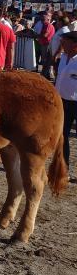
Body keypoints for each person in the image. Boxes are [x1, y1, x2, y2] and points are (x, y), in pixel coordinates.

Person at [55, 31, 77, 179]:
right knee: (62, 136)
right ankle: (64, 169)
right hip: (62, 102)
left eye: (65, 41)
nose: (62, 43)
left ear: (75, 45)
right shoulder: (62, 57)